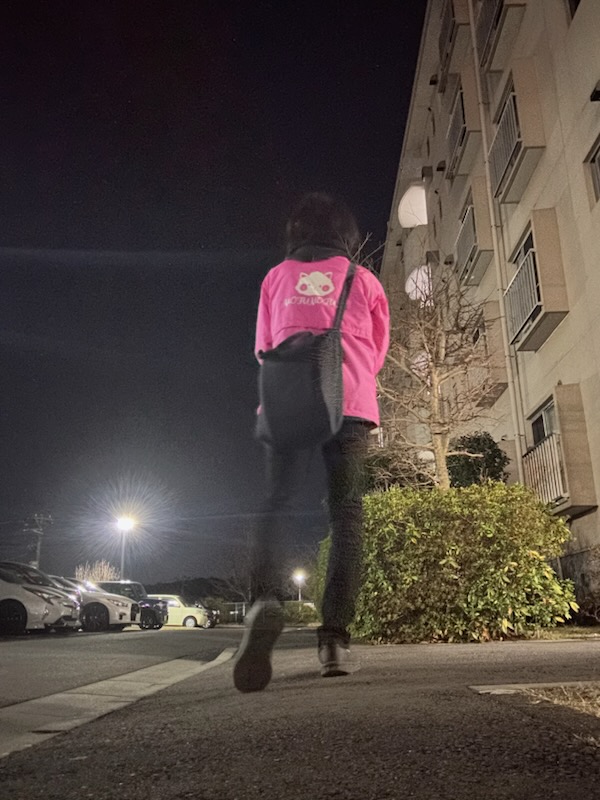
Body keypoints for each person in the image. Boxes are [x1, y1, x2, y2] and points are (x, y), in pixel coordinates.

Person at [233, 192, 389, 693]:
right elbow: (378, 350)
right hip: (351, 403)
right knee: (346, 514)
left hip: (286, 401)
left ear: (296, 232)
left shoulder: (276, 278)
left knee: (275, 502)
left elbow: (263, 348)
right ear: (346, 234)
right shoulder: (363, 280)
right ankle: (335, 642)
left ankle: (264, 601)